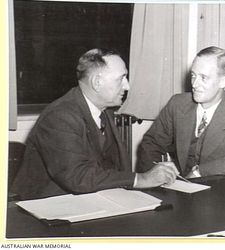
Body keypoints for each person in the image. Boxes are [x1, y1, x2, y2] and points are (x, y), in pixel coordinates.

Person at [11, 48, 179, 200]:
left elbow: (113, 168)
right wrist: (141, 179)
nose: (127, 86)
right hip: (47, 208)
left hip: (89, 201)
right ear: (97, 82)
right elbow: (78, 177)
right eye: (121, 78)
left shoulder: (105, 112)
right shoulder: (59, 116)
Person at [136, 46, 225, 178]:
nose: (195, 84)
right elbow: (151, 143)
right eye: (193, 75)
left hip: (221, 188)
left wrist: (200, 172)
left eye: (203, 78)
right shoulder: (177, 104)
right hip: (181, 187)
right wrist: (154, 177)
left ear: (223, 81)